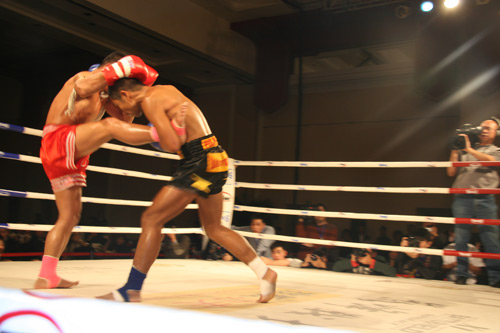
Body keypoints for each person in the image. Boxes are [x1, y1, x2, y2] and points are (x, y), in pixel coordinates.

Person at [98, 78, 277, 303]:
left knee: (151, 218)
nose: (126, 112)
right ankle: (265, 273)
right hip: (216, 159)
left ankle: (132, 289)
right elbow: (176, 139)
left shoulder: (149, 100)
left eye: (121, 106)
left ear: (126, 94)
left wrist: (170, 133)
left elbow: (172, 144)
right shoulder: (168, 90)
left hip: (198, 162)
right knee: (213, 228)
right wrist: (176, 130)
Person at [34, 52, 162, 289]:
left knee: (70, 216)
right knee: (108, 126)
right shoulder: (84, 78)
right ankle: (164, 134)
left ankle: (46, 274)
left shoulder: (105, 98)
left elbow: (126, 123)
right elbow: (83, 88)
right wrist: (123, 68)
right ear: (112, 68)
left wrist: (135, 101)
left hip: (73, 151)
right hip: (59, 140)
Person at [447, 117, 500, 288]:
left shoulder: (496, 150)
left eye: (488, 128)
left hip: (485, 198)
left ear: (495, 133)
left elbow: (491, 161)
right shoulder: (464, 149)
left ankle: (495, 277)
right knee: (461, 238)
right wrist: (456, 149)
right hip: (463, 198)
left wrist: (469, 148)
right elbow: (450, 172)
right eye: (482, 127)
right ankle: (461, 274)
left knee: (490, 238)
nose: (484, 130)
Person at [332, 248, 396, 277]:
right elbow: (335, 268)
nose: (362, 253)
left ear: (373, 254)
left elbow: (392, 272)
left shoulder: (379, 259)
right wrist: (352, 262)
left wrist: (371, 262)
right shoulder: (353, 258)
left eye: (366, 251)